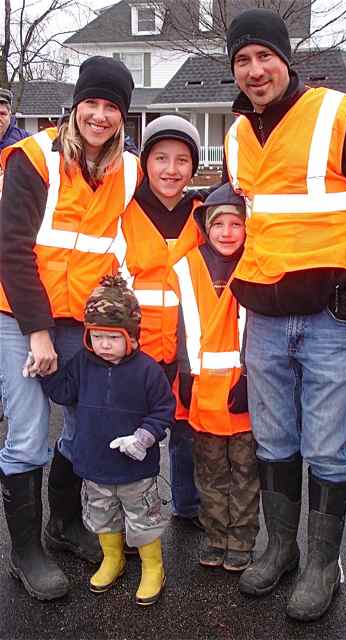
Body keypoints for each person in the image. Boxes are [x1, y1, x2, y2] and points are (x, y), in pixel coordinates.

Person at [222, 8, 346, 621]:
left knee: (327, 451)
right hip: (266, 322)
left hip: (332, 322)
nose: (255, 71)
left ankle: (320, 566)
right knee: (275, 442)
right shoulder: (234, 136)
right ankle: (281, 548)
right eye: (242, 60)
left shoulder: (337, 116)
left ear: (287, 58)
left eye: (264, 57)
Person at [0, 55, 140, 601]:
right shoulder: (34, 158)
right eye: (92, 104)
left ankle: (64, 524)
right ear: (75, 105)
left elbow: (164, 215)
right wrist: (36, 331)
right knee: (31, 431)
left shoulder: (127, 167)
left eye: (111, 107)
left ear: (122, 116)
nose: (99, 116)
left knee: (87, 424)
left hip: (82, 320)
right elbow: (12, 249)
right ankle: (25, 551)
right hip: (19, 316)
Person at [41, 275, 175, 605]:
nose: (103, 344)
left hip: (136, 471)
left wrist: (143, 439)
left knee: (143, 520)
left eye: (112, 338)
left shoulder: (147, 370)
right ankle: (112, 559)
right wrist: (47, 371)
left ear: (131, 336)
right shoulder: (84, 364)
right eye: (96, 336)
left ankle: (152, 566)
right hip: (95, 467)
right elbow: (63, 392)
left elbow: (163, 410)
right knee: (103, 518)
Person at [122, 115, 204, 527]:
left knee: (187, 435)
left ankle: (189, 509)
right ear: (145, 163)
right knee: (138, 436)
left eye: (182, 161)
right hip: (138, 354)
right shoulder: (124, 212)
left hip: (188, 351)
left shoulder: (205, 215)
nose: (171, 170)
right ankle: (136, 520)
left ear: (193, 167)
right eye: (161, 159)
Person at [173, 182, 260, 572]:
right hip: (205, 394)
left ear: (247, 228)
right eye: (218, 223)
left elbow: (257, 329)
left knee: (245, 472)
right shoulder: (188, 266)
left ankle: (241, 540)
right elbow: (183, 327)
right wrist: (187, 378)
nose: (226, 232)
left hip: (244, 393)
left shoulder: (257, 265)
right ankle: (215, 538)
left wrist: (250, 380)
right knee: (210, 473)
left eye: (235, 224)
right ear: (205, 227)